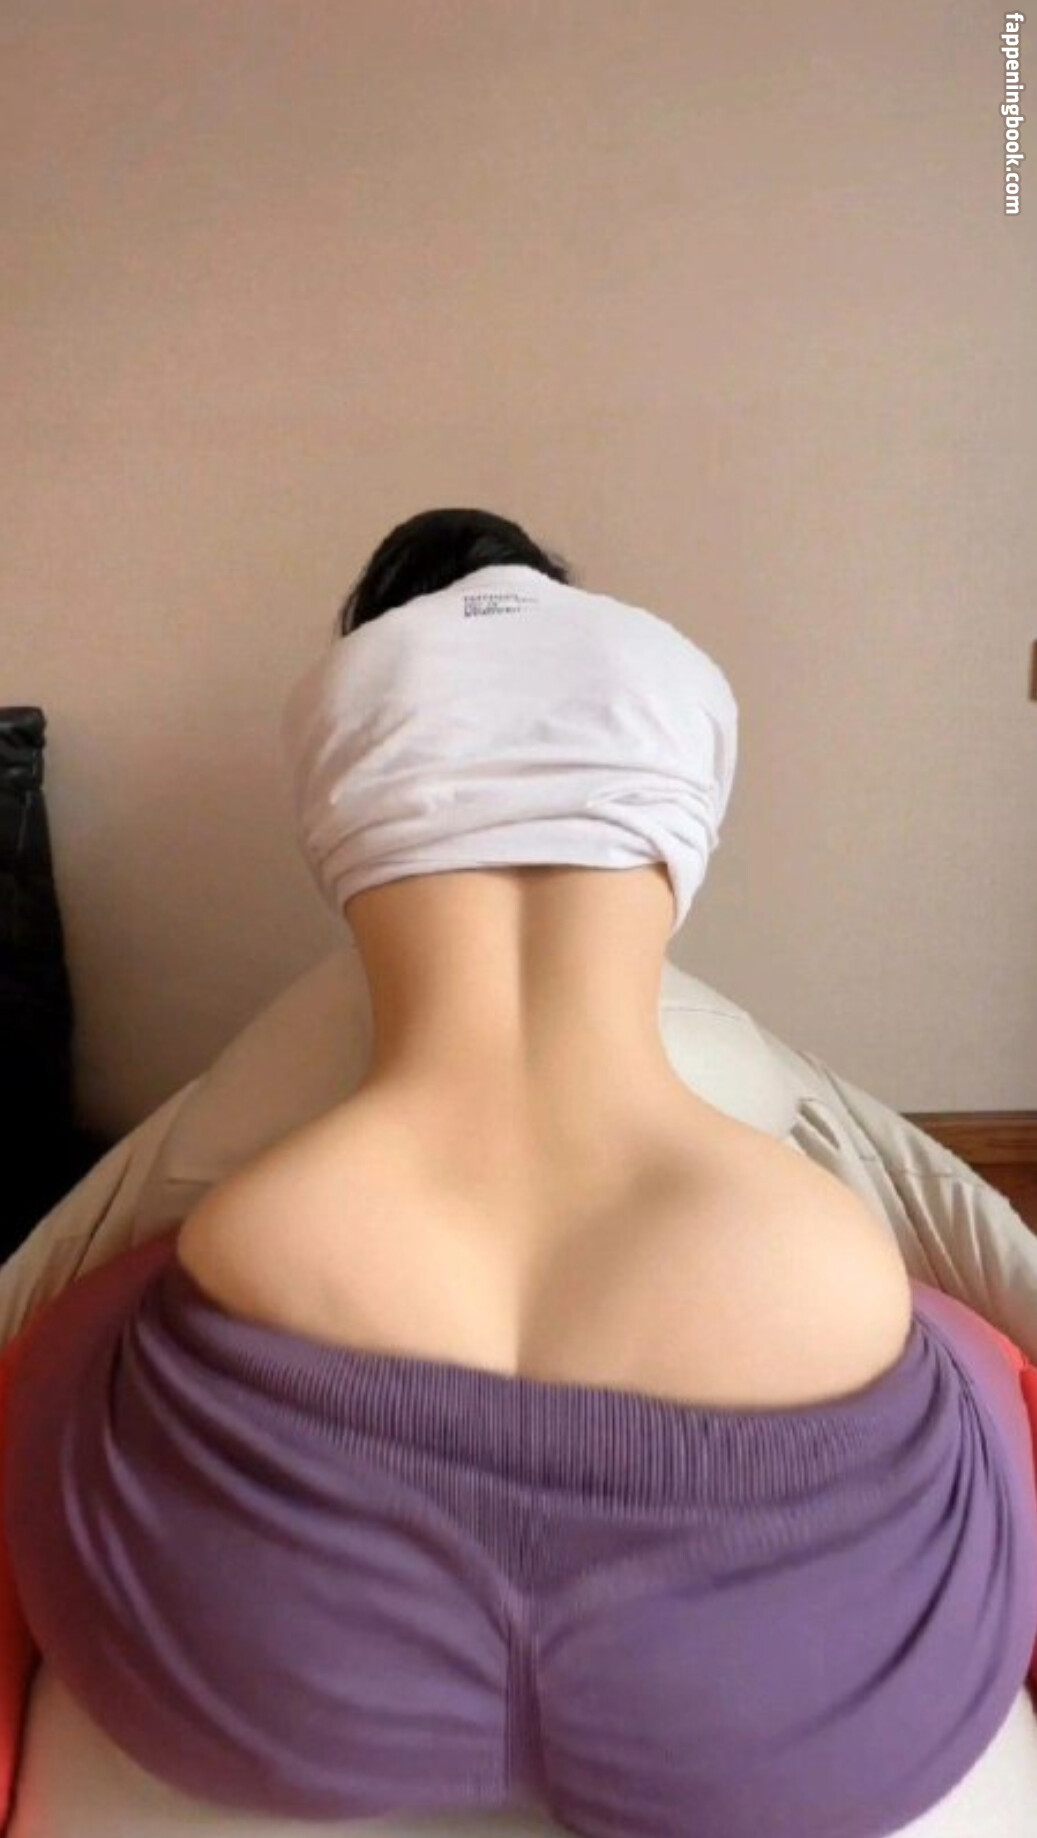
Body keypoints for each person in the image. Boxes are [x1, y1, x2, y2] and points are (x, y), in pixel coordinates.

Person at [4, 509, 1037, 1838]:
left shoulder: (343, 695)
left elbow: (117, 1203)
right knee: (960, 1354)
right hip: (770, 1525)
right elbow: (917, 1180)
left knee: (98, 1320)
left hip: (280, 1593)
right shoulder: (667, 675)